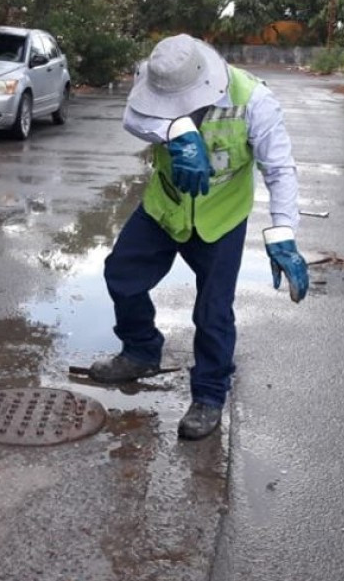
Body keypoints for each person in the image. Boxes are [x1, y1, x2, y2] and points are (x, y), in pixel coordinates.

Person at [88, 34, 309, 441]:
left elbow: (279, 169)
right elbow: (132, 118)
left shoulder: (254, 100)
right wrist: (174, 129)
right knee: (121, 274)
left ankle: (209, 395)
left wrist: (283, 234)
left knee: (213, 311)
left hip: (221, 219)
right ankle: (141, 349)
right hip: (165, 206)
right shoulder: (152, 77)